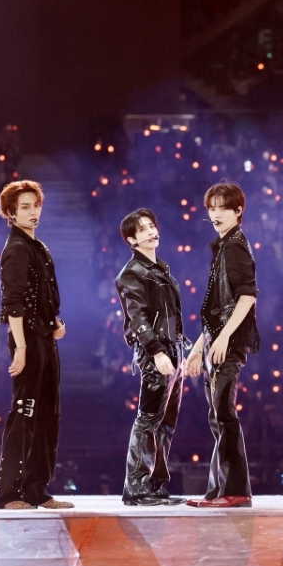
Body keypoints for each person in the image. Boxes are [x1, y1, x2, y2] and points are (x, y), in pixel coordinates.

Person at [0, 180, 73, 510]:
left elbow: (42, 296)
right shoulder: (16, 248)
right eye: (24, 207)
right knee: (24, 412)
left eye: (35, 205)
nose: (33, 212)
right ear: (10, 213)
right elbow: (13, 303)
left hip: (43, 337)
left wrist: (54, 323)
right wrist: (22, 347)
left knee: (47, 414)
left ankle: (37, 489)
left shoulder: (38, 246)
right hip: (27, 340)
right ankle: (9, 493)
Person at [185, 181, 260, 508]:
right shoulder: (224, 246)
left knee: (224, 415)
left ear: (238, 211)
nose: (215, 214)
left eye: (222, 208)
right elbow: (217, 309)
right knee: (218, 416)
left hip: (227, 344)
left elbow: (247, 296)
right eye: (211, 208)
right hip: (216, 342)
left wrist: (225, 336)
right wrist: (198, 347)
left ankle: (234, 491)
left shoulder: (235, 246)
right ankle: (219, 490)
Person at [115, 208, 187, 506]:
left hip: (173, 349)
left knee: (166, 421)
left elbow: (171, 315)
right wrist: (157, 351)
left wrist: (180, 348)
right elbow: (138, 319)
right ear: (132, 240)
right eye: (143, 229)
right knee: (149, 418)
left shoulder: (160, 269)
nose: (151, 231)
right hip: (155, 351)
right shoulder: (132, 273)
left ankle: (156, 485)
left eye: (152, 226)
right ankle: (136, 487)